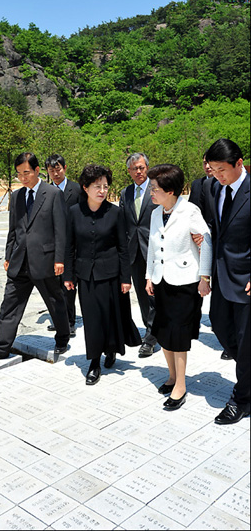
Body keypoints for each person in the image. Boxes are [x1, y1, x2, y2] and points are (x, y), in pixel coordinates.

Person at [0, 152, 70, 363]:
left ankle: (63, 337)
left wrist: (59, 259)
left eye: (26, 173)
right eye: (19, 174)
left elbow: (61, 229)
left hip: (45, 260)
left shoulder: (53, 194)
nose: (22, 178)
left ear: (37, 170)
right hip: (19, 261)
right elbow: (14, 229)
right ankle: (1, 347)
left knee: (55, 301)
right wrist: (8, 254)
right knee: (9, 304)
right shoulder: (17, 196)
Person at [64, 164, 141, 385]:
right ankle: (94, 362)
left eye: (106, 186)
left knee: (111, 315)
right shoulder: (73, 212)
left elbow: (122, 248)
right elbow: (69, 246)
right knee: (92, 319)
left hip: (112, 274)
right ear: (85, 187)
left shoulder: (115, 212)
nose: (102, 191)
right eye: (97, 186)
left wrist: (126, 278)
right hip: (85, 275)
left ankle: (112, 350)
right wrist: (68, 276)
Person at [145, 164, 212, 411]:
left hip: (185, 282)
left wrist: (205, 278)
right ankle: (172, 376)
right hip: (162, 280)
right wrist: (149, 276)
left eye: (155, 189)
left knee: (179, 334)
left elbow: (207, 241)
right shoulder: (155, 213)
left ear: (170, 190)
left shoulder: (190, 211)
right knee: (163, 331)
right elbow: (153, 247)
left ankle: (181, 386)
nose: (151, 192)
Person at [204, 139, 250, 424]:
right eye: (213, 169)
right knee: (220, 326)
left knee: (246, 343)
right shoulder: (213, 189)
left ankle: (242, 399)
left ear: (239, 164)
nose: (218, 175)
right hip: (221, 276)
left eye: (222, 169)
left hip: (246, 279)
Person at [189, 152, 231, 361]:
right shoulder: (204, 185)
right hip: (207, 244)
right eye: (205, 163)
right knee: (216, 306)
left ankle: (230, 344)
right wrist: (200, 236)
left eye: (213, 165)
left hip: (234, 255)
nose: (209, 167)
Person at [119, 153, 158, 358]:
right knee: (143, 296)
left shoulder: (156, 189)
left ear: (148, 168)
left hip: (155, 251)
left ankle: (154, 336)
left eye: (142, 167)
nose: (139, 171)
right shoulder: (125, 193)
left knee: (156, 295)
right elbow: (124, 225)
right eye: (135, 168)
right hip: (133, 253)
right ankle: (150, 333)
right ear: (129, 171)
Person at [45, 154, 82, 338]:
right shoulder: (45, 191)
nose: (55, 173)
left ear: (65, 168)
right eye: (51, 170)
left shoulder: (76, 189)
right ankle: (60, 320)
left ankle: (70, 321)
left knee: (69, 284)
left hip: (72, 244)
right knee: (55, 285)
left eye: (58, 169)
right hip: (52, 245)